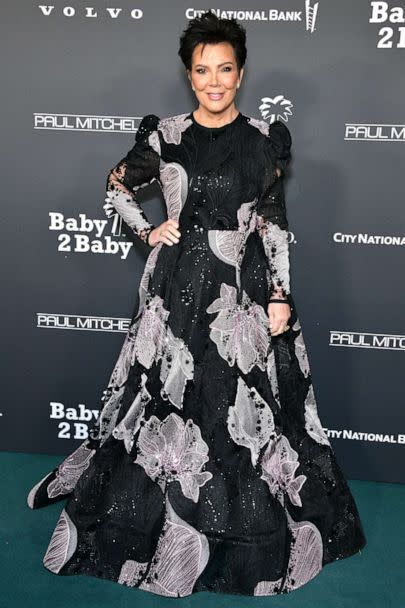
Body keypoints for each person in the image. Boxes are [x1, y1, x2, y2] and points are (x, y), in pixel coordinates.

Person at [27, 10, 366, 597]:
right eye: (202, 70)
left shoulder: (264, 140)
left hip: (242, 292)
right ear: (190, 76)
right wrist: (147, 228)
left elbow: (273, 223)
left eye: (225, 70)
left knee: (244, 410)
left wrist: (281, 295)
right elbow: (118, 184)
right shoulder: (166, 135)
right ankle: (169, 522)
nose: (214, 81)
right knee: (167, 401)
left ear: (240, 73)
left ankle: (235, 529)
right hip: (178, 287)